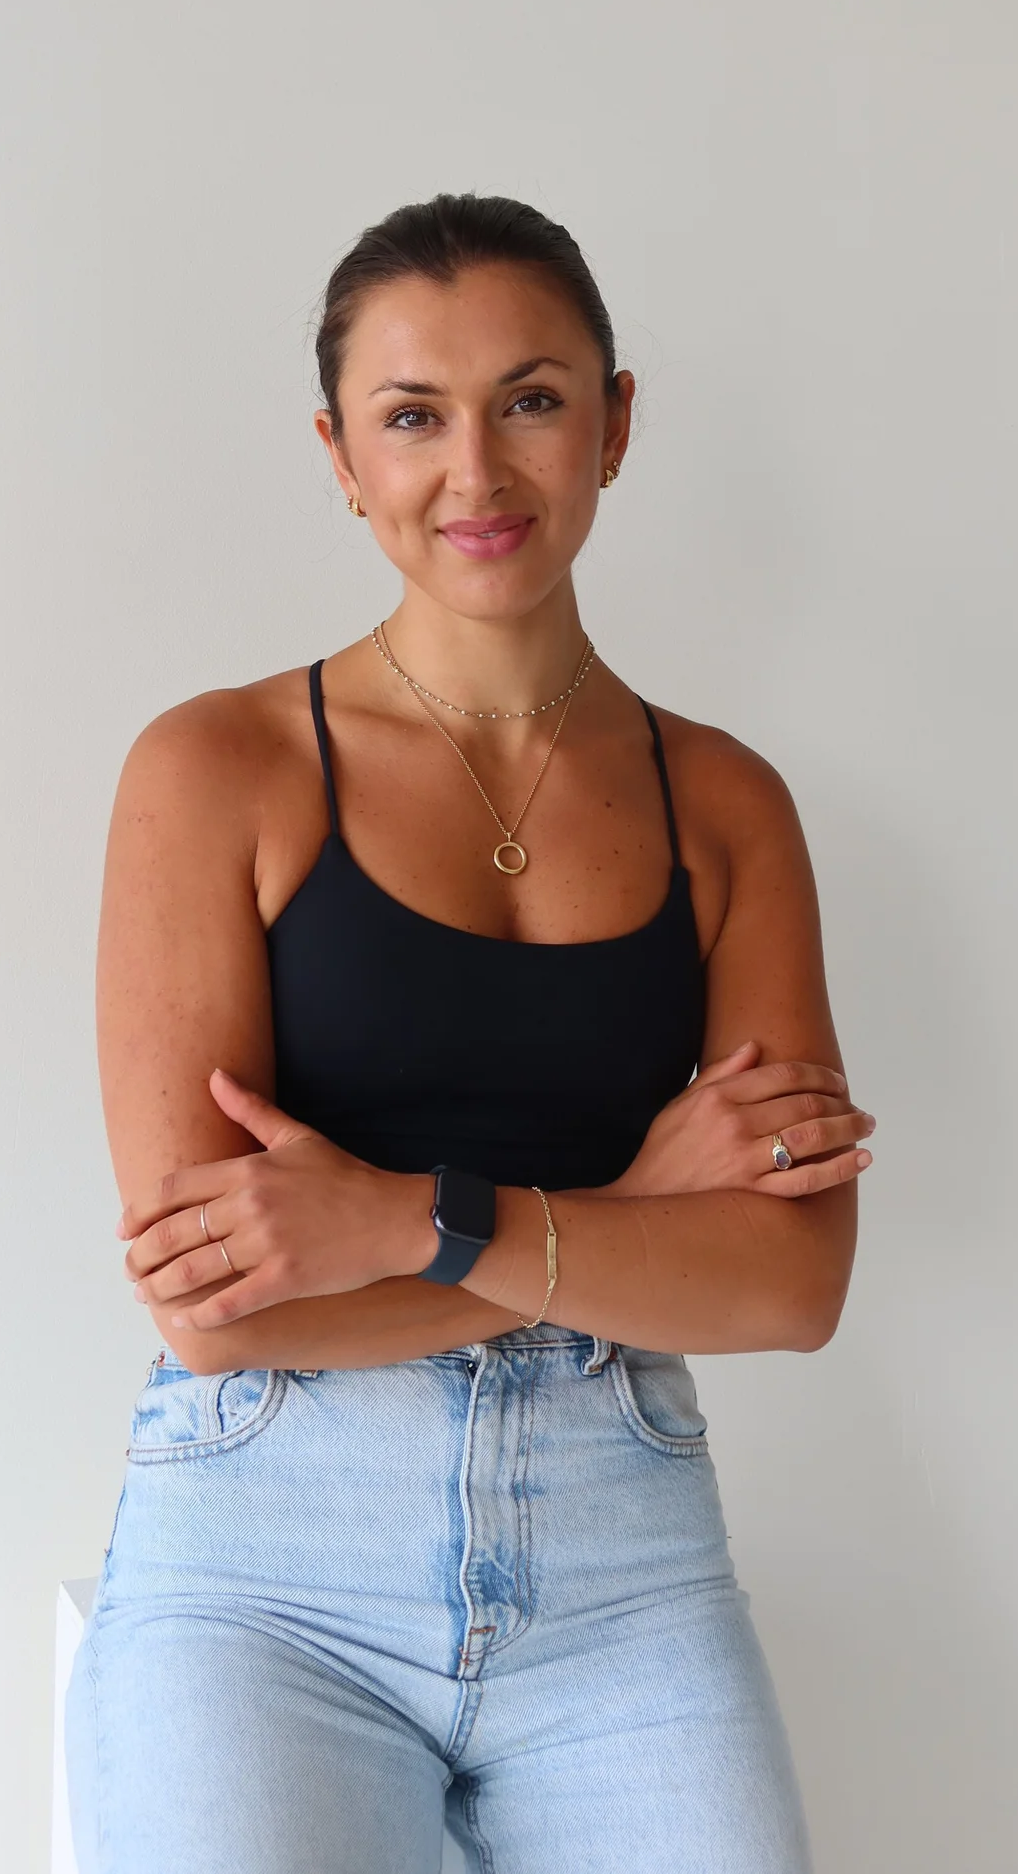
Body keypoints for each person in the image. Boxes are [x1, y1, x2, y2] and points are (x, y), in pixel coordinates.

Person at [65, 191, 875, 1874]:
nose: (478, 472)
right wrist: (633, 1218)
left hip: (625, 1562)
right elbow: (215, 1313)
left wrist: (395, 1221)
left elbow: (792, 1283)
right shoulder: (219, 771)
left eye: (532, 399)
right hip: (267, 1572)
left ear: (616, 423)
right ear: (341, 457)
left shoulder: (727, 804)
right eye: (413, 416)